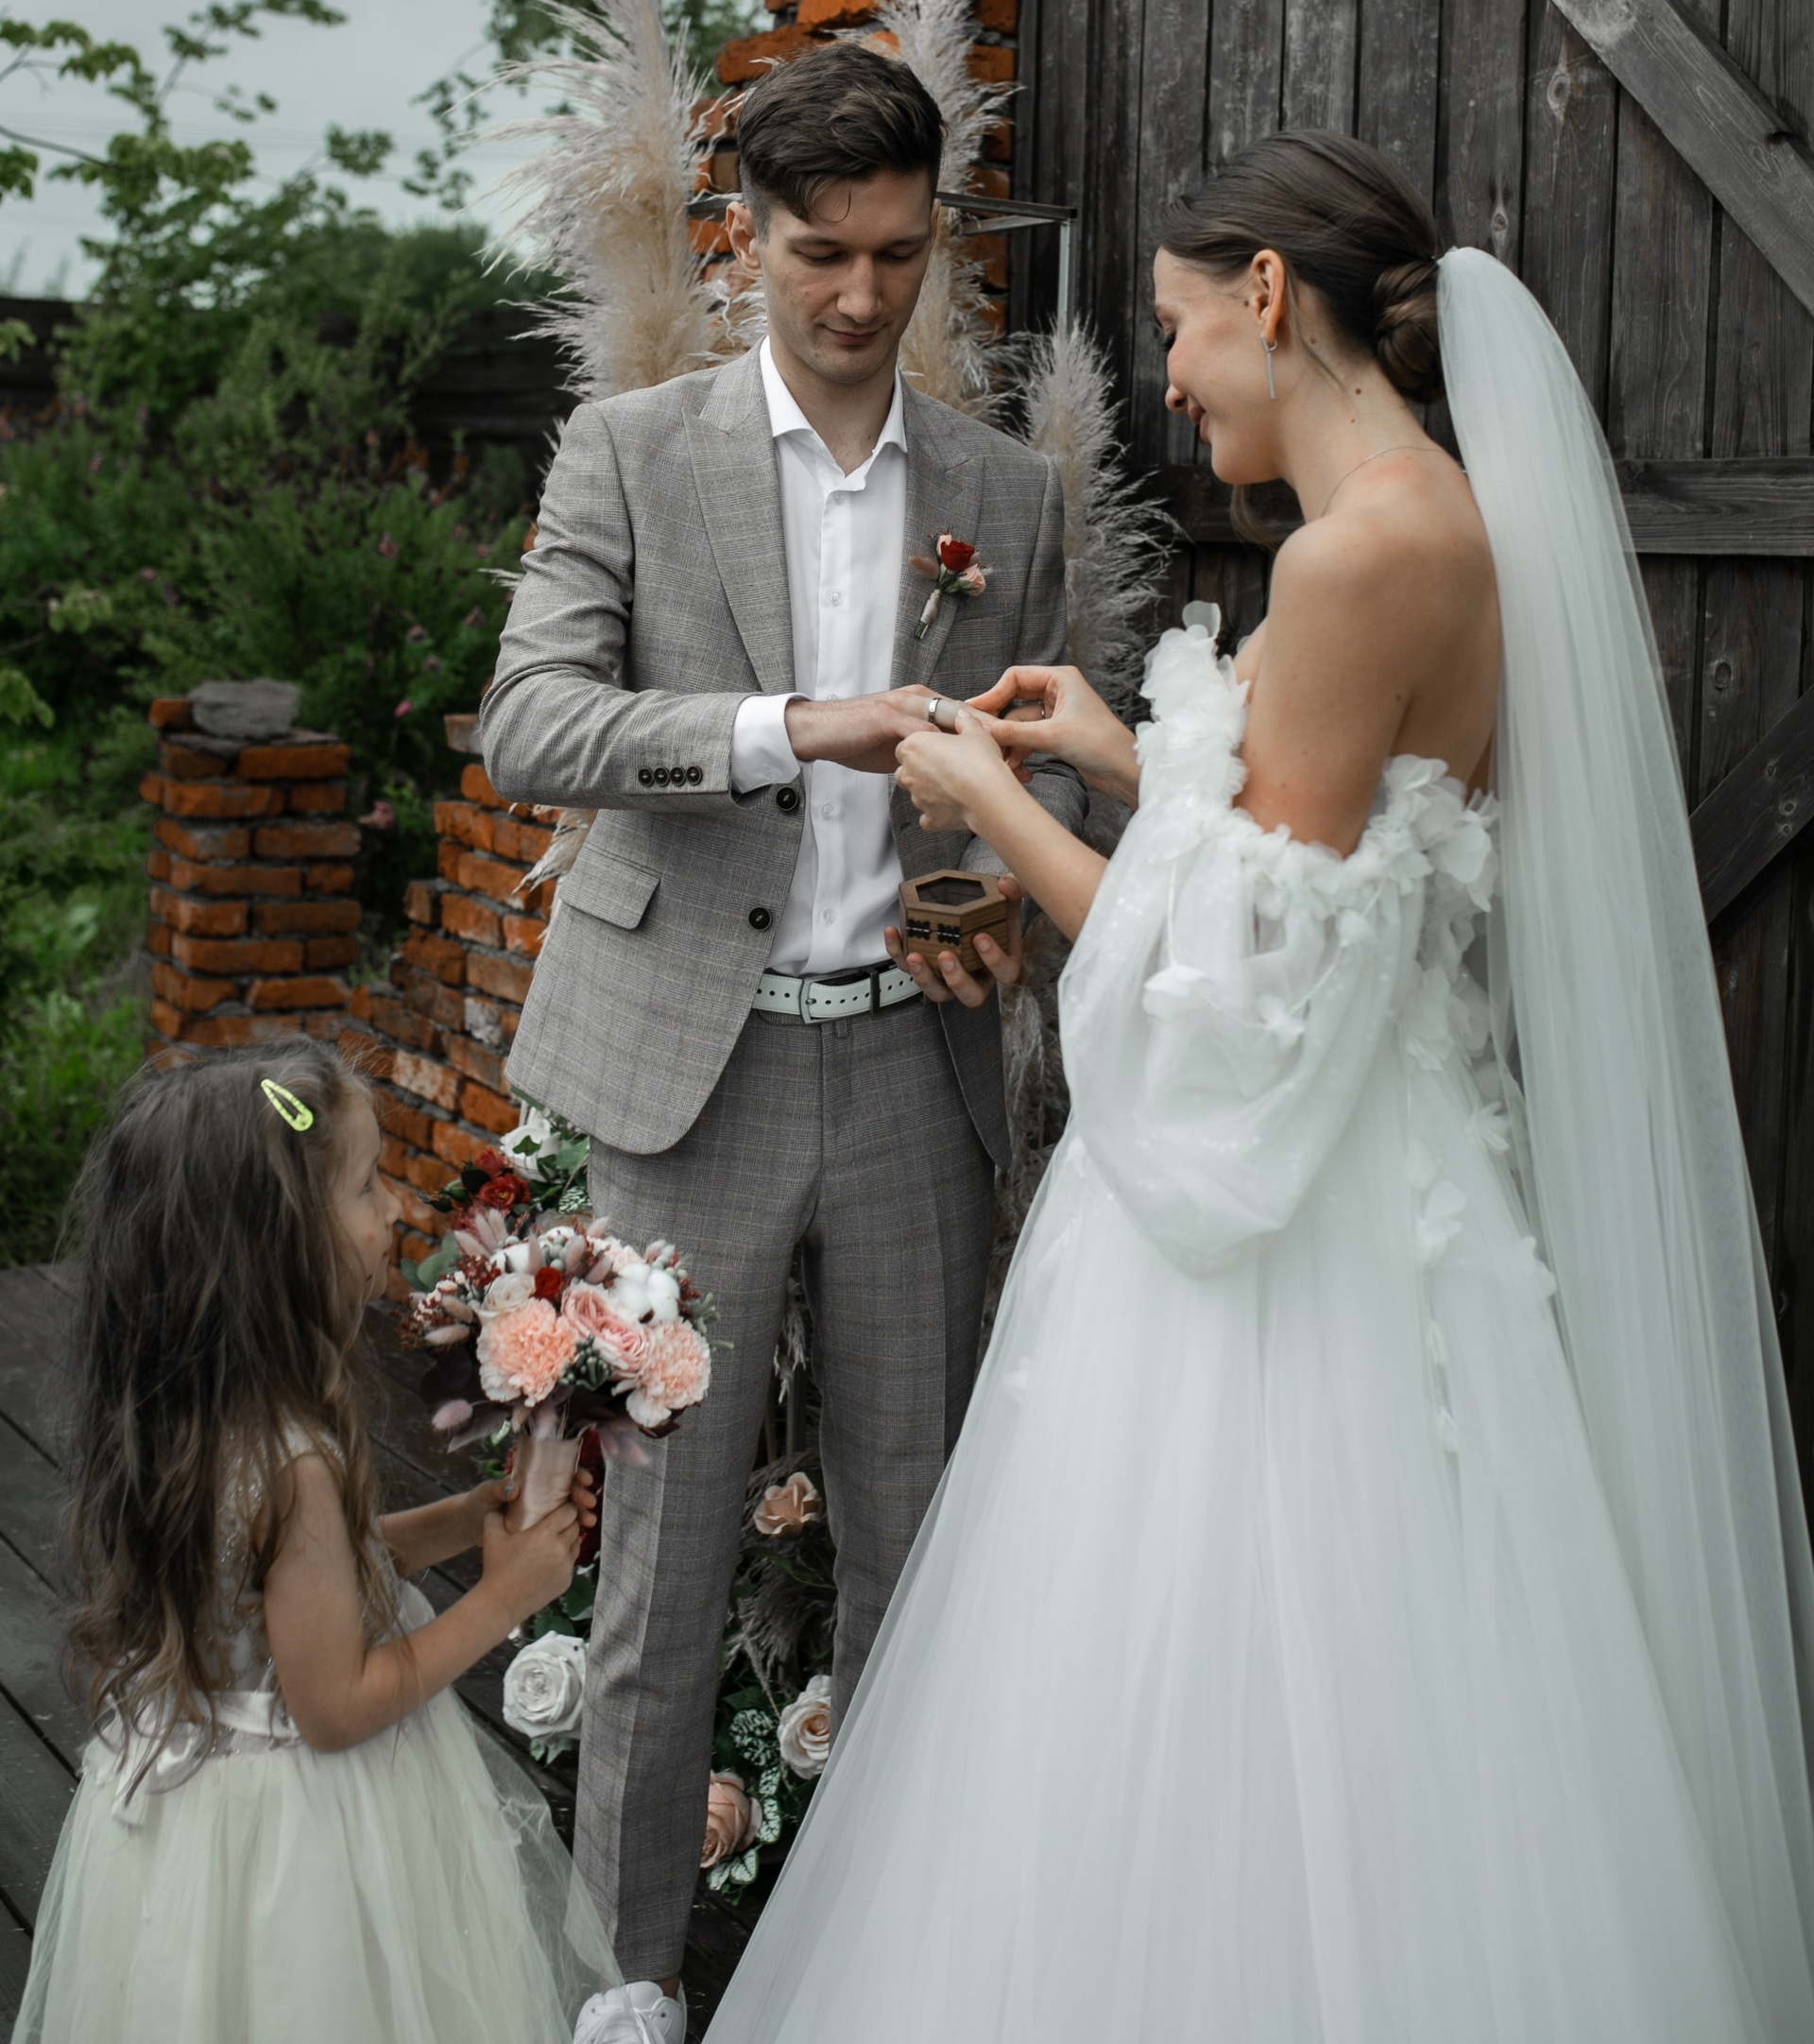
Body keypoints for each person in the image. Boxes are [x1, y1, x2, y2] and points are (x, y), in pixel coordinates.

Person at [706, 131, 1814, 2041]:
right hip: (1410, 1188)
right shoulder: (1438, 518)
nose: (1168, 380)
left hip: (1294, 1249)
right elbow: (1332, 855)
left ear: (1271, 297)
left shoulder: (1357, 555)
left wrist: (984, 806)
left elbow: (1234, 1011)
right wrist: (1122, 758)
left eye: (1174, 327)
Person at [477, 43, 1085, 2038]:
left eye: (899, 255)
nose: (861, 294)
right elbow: (531, 723)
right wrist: (784, 729)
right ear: (745, 241)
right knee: (659, 1571)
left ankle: (891, 1970)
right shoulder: (629, 451)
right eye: (824, 253)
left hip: (915, 1078)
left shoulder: (1004, 492)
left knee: (918, 1547)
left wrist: (1005, 900)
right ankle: (629, 1981)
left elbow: (1037, 782)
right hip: (691, 1081)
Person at [15, 1038, 619, 2044]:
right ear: (278, 1243)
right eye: (367, 1184)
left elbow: (296, 1579)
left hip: (195, 1821)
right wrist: (506, 1596)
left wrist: (465, 1519)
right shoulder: (291, 1458)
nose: (397, 1208)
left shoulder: (208, 1414)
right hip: (300, 1839)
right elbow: (336, 1706)